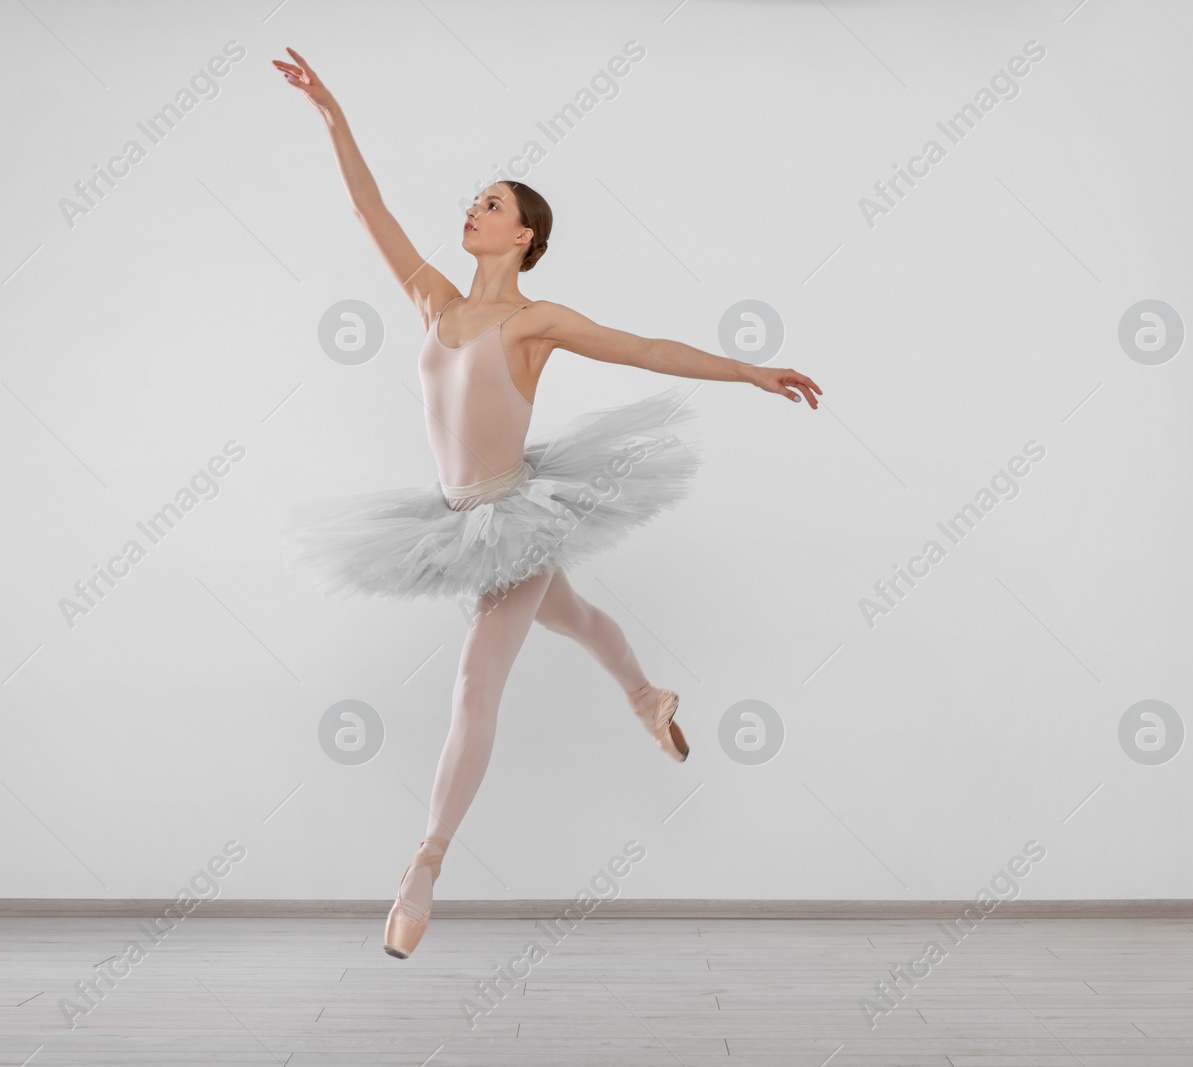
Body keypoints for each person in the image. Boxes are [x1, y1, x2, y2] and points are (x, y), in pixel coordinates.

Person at [273, 48, 821, 958]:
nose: (474, 210)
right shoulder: (434, 302)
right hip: (450, 519)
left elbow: (645, 348)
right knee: (574, 613)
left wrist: (748, 371)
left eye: (493, 204)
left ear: (524, 235)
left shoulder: (535, 322)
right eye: (474, 201)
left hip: (514, 511)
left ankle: (425, 864)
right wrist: (332, 114)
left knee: (474, 682)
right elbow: (369, 209)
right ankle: (648, 696)